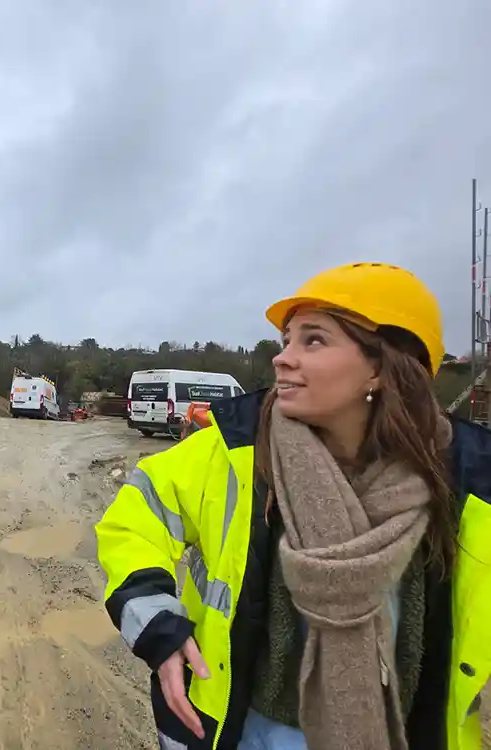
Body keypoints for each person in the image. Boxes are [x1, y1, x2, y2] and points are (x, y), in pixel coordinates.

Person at [95, 262, 491, 750]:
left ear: (382, 369)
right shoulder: (236, 448)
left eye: (314, 341)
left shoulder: (471, 480)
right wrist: (157, 625)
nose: (283, 358)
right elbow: (134, 519)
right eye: (287, 341)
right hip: (247, 730)